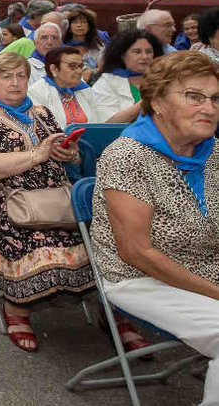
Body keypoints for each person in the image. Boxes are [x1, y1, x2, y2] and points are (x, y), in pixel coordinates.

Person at [0, 53, 145, 353]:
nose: (16, 82)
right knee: (43, 246)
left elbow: (65, 153)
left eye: (21, 75)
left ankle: (115, 315)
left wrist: (68, 154)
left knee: (113, 242)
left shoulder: (41, 112)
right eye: (7, 76)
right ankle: (17, 309)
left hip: (58, 199)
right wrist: (35, 156)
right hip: (9, 203)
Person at [91, 51, 219, 403]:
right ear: (158, 101)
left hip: (206, 267)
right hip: (140, 278)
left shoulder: (213, 150)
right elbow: (136, 252)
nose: (208, 107)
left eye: (215, 98)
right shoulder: (129, 156)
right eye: (194, 96)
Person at [91, 29, 164, 123]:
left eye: (149, 51)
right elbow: (108, 122)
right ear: (122, 55)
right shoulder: (107, 81)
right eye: (137, 52)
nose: (145, 57)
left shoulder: (162, 78)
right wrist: (145, 103)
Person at [26, 46, 104, 127]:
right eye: (72, 66)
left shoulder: (85, 90)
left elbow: (98, 123)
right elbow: (43, 128)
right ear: (54, 69)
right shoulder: (36, 92)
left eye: (81, 66)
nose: (79, 71)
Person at [63, 7, 104, 79]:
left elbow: (104, 69)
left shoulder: (98, 47)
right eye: (75, 22)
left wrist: (91, 72)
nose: (79, 25)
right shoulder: (63, 47)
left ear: (90, 26)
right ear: (69, 27)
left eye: (84, 22)